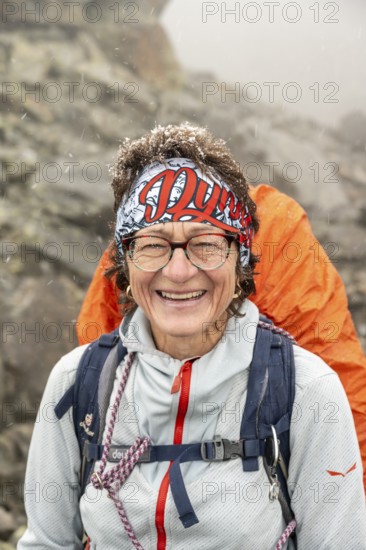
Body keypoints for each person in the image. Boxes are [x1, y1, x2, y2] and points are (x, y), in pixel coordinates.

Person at [19, 124, 366, 549]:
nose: (179, 272)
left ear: (240, 260)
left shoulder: (307, 391)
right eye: (153, 245)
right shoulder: (79, 383)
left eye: (205, 243)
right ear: (124, 263)